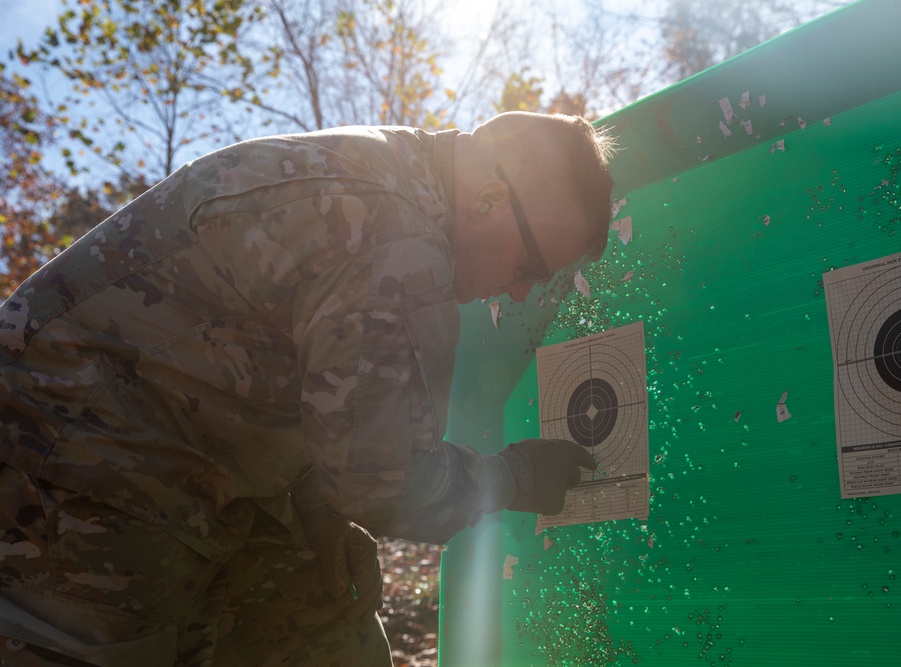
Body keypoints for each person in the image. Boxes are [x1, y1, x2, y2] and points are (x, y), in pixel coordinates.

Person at [0, 111, 617, 666]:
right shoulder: (398, 237)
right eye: (530, 270)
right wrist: (517, 477)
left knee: (325, 616)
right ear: (488, 201)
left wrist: (316, 505)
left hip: (166, 471)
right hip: (64, 471)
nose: (518, 294)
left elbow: (259, 367)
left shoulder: (389, 169)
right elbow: (384, 481)